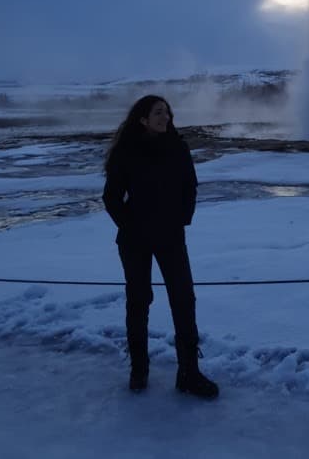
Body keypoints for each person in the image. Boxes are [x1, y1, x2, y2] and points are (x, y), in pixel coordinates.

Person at [103, 95, 219, 398]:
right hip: (135, 239)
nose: (165, 117)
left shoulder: (177, 146)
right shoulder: (126, 152)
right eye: (158, 113)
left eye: (167, 112)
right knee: (139, 300)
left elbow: (189, 186)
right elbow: (111, 197)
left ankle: (189, 373)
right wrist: (130, 225)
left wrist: (181, 218)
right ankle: (139, 370)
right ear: (142, 118)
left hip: (170, 236)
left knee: (183, 300)